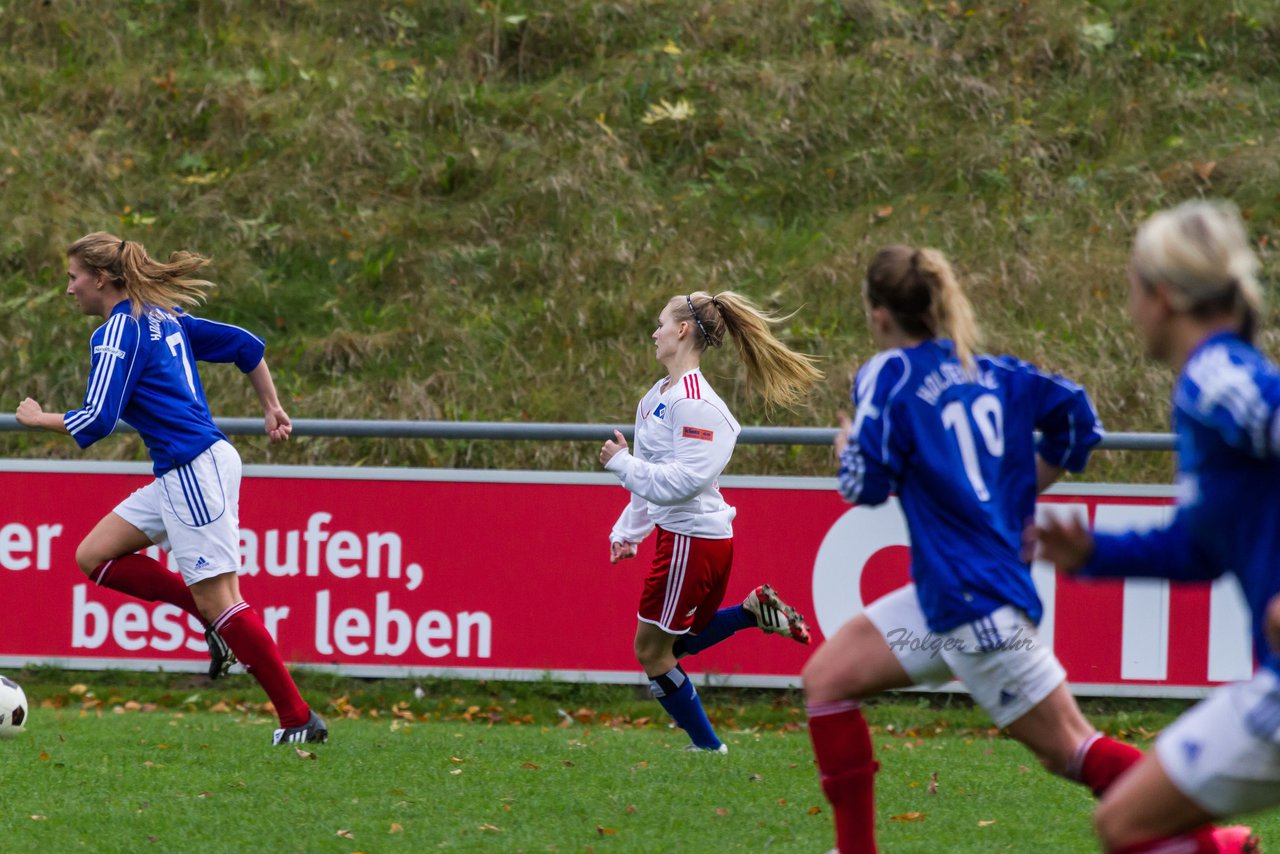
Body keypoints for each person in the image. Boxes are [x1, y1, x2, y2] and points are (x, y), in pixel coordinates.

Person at [801, 245, 1158, 854]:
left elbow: (866, 485)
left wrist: (847, 451)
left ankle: (1211, 839)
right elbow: (1079, 418)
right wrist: (1015, 493)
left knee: (1071, 749)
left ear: (879, 315)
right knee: (827, 680)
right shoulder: (997, 371)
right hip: (951, 592)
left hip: (972, 604)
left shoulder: (890, 373)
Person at [16, 232, 327, 746]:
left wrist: (38, 417)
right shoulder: (160, 316)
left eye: (73, 278)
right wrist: (271, 404)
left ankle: (298, 719)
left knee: (225, 600)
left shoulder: (119, 330)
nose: (69, 289)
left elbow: (97, 418)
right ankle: (209, 620)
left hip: (192, 470)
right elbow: (245, 346)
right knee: (94, 556)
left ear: (100, 278)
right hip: (187, 467)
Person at [1035, 200, 1270, 853]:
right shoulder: (1212, 383)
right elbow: (1202, 547)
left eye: (1133, 287)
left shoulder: (1217, 376)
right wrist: (1094, 554)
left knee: (1127, 823)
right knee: (1130, 822)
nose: (1131, 305)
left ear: (1162, 297)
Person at [599, 290, 821, 752]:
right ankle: (751, 611)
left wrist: (621, 463)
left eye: (661, 323)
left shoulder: (698, 404)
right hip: (686, 539)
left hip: (692, 540)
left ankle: (707, 748)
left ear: (682, 330)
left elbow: (683, 481)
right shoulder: (655, 398)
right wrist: (628, 530)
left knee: (652, 652)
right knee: (675, 646)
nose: (654, 332)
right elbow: (653, 474)